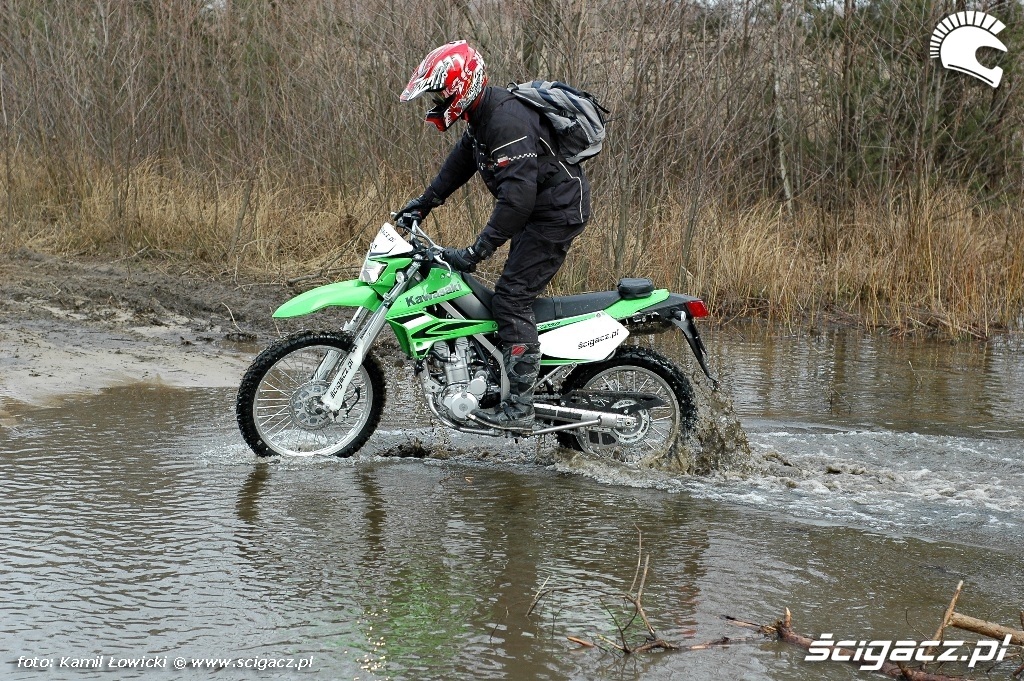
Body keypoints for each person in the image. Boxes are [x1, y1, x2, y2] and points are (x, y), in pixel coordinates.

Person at [395, 40, 591, 434]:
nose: (436, 101)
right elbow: (459, 164)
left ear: (462, 87)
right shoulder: (482, 116)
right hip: (539, 212)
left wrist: (476, 251)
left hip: (555, 215)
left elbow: (517, 200)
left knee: (511, 299)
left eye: (440, 93)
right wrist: (424, 203)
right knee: (504, 296)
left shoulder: (506, 121)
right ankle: (498, 373)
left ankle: (519, 409)